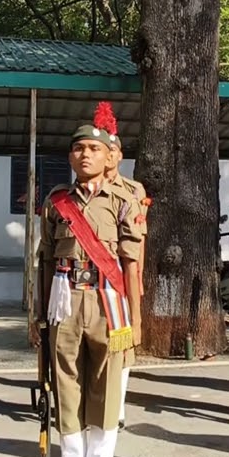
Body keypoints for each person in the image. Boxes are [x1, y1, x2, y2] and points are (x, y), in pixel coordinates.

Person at [33, 107, 144, 457]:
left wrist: (135, 318)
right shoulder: (56, 201)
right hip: (64, 302)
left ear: (107, 156)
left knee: (106, 395)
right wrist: (38, 315)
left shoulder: (124, 200)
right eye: (78, 148)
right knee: (66, 393)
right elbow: (44, 260)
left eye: (93, 149)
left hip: (108, 304)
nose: (85, 155)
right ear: (70, 157)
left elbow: (132, 264)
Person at [101, 102, 150, 431]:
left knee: (122, 344)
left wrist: (138, 279)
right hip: (92, 283)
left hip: (120, 280)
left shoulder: (133, 191)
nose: (108, 156)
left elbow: (139, 242)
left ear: (119, 155)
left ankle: (116, 407)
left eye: (113, 150)